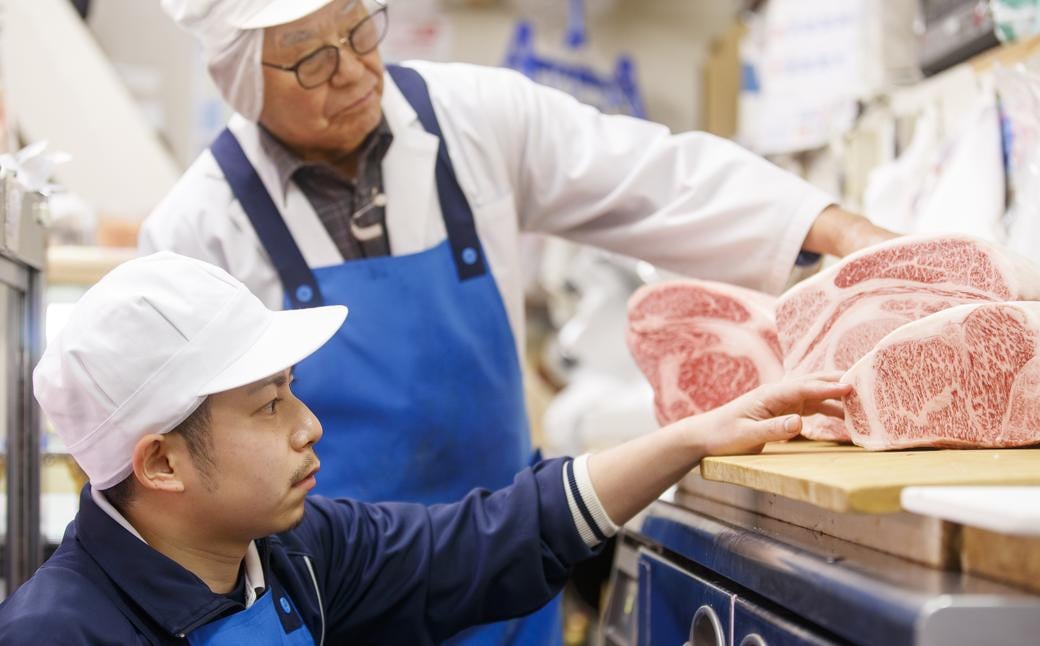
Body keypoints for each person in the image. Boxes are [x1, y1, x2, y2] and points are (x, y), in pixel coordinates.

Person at [141, 1, 895, 642]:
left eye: (360, 28)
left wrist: (840, 230)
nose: (351, 69)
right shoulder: (199, 229)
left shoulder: (473, 115)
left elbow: (651, 179)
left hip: (513, 563)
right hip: (341, 592)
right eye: (308, 58)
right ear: (240, 78)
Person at [0, 252, 850, 644]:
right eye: (267, 406)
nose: (308, 424)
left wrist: (692, 437)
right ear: (161, 463)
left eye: (292, 389)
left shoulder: (291, 553)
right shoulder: (59, 634)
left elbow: (479, 544)